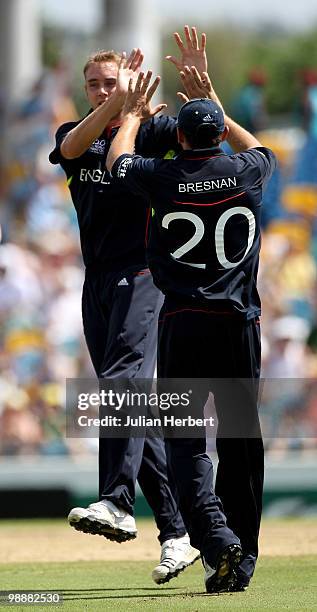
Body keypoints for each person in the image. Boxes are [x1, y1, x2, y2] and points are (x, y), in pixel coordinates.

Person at [106, 66, 277, 592]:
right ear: (221, 131)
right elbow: (263, 148)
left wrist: (133, 115)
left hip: (182, 322)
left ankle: (216, 538)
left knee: (185, 443)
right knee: (241, 444)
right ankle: (239, 559)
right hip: (238, 326)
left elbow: (117, 162)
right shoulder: (248, 170)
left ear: (179, 138)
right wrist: (213, 98)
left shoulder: (163, 175)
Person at [49, 27, 207, 584]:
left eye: (109, 81)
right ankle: (179, 534)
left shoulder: (153, 128)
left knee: (122, 381)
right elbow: (68, 150)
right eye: (92, 83)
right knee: (133, 404)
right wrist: (118, 105)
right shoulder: (80, 132)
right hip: (97, 279)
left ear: (132, 80)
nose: (98, 89)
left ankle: (116, 499)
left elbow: (202, 138)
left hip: (145, 273)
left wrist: (199, 90)